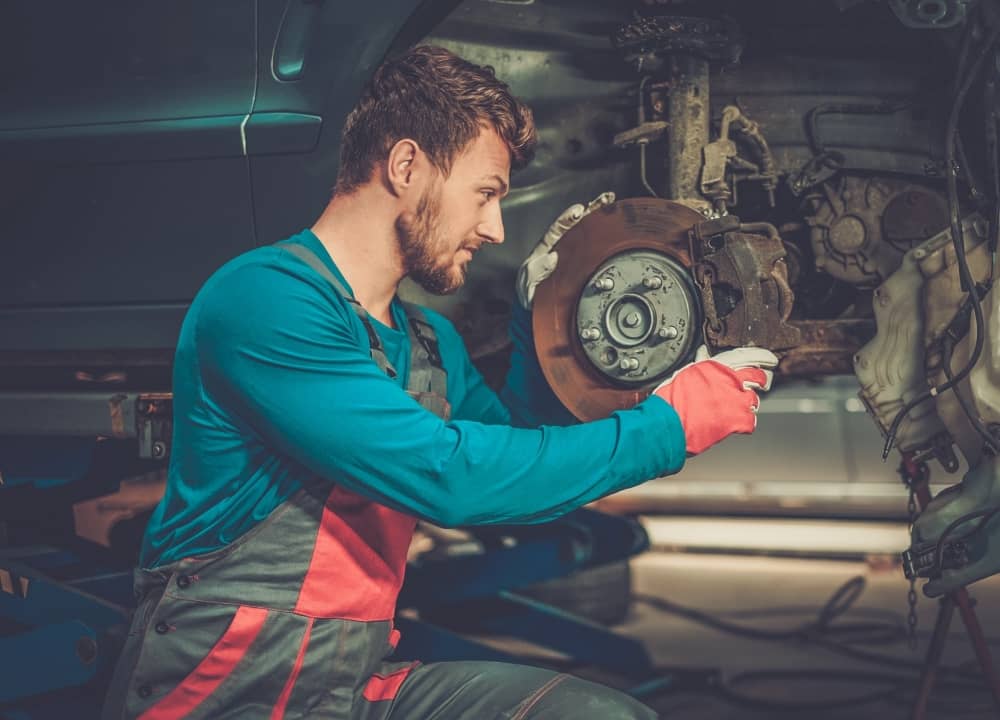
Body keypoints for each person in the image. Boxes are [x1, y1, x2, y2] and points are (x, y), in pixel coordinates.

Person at [102, 45, 777, 720]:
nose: (495, 228)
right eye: (485, 194)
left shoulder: (428, 341)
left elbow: (515, 463)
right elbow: (449, 478)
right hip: (221, 694)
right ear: (405, 166)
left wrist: (533, 320)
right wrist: (668, 428)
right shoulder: (265, 300)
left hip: (344, 690)